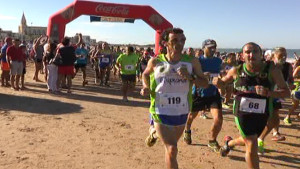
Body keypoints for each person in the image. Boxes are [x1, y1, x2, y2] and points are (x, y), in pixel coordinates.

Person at [214, 42, 290, 169]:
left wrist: (269, 92)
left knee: (250, 140)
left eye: (255, 51)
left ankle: (229, 143)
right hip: (242, 113)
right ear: (242, 56)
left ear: (261, 55)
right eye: (248, 52)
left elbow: (286, 92)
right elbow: (223, 84)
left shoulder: (272, 70)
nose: (251, 54)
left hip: (263, 113)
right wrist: (219, 83)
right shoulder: (236, 70)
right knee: (252, 145)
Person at [141, 28, 208, 169]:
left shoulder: (192, 62)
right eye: (175, 40)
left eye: (182, 40)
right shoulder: (155, 61)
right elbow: (145, 74)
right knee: (172, 149)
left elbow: (205, 83)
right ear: (165, 43)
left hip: (181, 111)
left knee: (170, 150)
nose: (180, 43)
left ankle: (154, 133)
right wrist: (146, 86)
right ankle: (155, 130)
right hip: (159, 110)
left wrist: (191, 77)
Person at [183, 39, 223, 153]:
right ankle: (187, 130)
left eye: (214, 47)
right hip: (198, 94)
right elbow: (190, 75)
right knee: (191, 117)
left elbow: (223, 73)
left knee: (218, 119)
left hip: (213, 94)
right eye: (210, 47)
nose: (213, 49)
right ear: (203, 48)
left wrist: (222, 79)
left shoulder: (218, 61)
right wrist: (199, 76)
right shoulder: (197, 61)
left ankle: (212, 140)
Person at [257, 47, 293, 154]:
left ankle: (261, 139)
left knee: (275, 118)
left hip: (276, 95)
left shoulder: (288, 66)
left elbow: (290, 78)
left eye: (285, 55)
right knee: (261, 119)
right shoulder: (267, 66)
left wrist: (290, 84)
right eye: (281, 56)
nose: (284, 58)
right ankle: (254, 139)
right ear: (273, 56)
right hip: (263, 95)